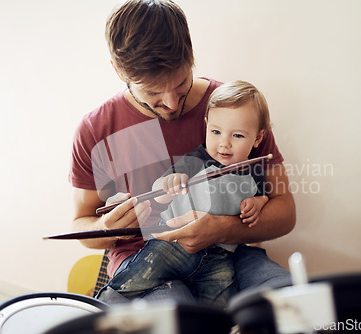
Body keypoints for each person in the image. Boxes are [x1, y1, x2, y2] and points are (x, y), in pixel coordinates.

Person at [69, 0, 296, 305]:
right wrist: (106, 227)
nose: (172, 104)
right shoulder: (95, 130)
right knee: (181, 319)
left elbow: (285, 212)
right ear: (117, 70)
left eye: (180, 85)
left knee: (291, 303)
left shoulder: (233, 110)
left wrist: (222, 228)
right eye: (152, 93)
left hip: (231, 251)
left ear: (191, 55)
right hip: (145, 256)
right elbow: (81, 224)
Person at [106, 81, 272, 308]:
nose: (224, 143)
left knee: (221, 307)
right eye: (215, 132)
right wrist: (169, 183)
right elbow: (158, 191)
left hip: (220, 257)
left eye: (238, 136)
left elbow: (263, 196)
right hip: (173, 244)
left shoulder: (255, 170)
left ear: (258, 138)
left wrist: (257, 203)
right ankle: (99, 309)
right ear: (206, 126)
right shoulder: (196, 160)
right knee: (136, 276)